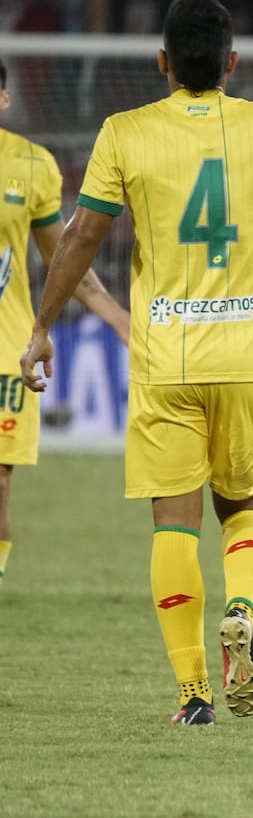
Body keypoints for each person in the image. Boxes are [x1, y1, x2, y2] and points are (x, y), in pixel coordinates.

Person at [19, 0, 253, 725]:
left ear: (162, 62)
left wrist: (42, 327)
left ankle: (194, 696)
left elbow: (79, 238)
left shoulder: (124, 133)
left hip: (165, 358)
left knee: (173, 526)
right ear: (232, 63)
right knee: (246, 509)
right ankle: (240, 609)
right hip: (248, 354)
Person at [0, 58, 130, 589]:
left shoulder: (31, 166)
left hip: (4, 352)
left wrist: (121, 320)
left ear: (5, 99)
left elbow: (67, 261)